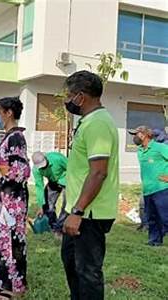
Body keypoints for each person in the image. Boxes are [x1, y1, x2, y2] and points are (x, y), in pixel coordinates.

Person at [61, 70, 119, 300]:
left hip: (89, 213)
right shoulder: (89, 122)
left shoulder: (98, 124)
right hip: (80, 210)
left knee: (87, 271)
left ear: (81, 97)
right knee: (71, 263)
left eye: (69, 95)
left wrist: (77, 211)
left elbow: (98, 173)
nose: (67, 100)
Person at [0, 97, 31, 298]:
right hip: (6, 198)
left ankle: (12, 287)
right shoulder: (8, 137)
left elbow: (20, 171)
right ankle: (5, 281)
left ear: (8, 113)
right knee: (4, 240)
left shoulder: (15, 137)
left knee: (11, 242)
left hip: (12, 200)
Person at [128, 125, 168, 246]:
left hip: (161, 189)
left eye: (136, 134)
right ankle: (154, 241)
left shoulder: (160, 147)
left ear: (144, 135)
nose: (134, 137)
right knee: (152, 218)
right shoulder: (140, 151)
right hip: (147, 190)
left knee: (165, 217)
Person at [31, 151, 68, 234]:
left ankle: (59, 228)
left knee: (66, 206)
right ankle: (51, 225)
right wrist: (41, 206)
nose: (43, 167)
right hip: (53, 181)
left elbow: (71, 168)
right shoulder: (36, 170)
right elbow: (39, 187)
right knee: (48, 206)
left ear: (46, 157)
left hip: (66, 180)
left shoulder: (57, 158)